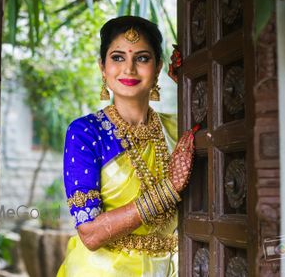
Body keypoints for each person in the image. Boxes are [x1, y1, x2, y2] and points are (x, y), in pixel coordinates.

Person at [57, 16, 196, 277]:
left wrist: (192, 80)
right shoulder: (86, 132)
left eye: (142, 58)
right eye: (118, 57)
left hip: (172, 268)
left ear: (158, 68)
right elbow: (90, 233)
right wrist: (168, 190)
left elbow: (227, 127)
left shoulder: (178, 129)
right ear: (102, 67)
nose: (129, 69)